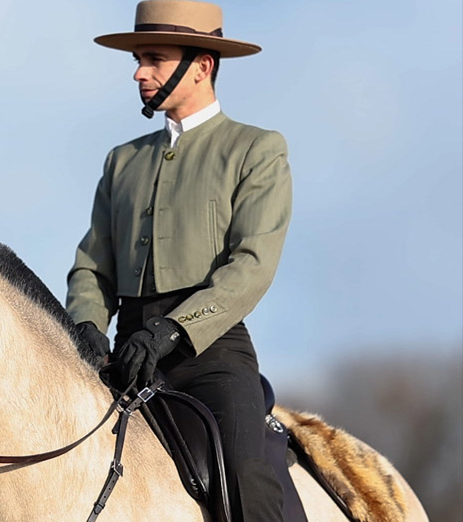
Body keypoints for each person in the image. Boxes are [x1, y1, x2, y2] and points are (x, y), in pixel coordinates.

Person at [66, 1, 291, 520]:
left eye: (154, 58)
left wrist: (172, 331)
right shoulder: (121, 160)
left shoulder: (256, 149)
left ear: (202, 64)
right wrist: (85, 325)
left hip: (209, 357)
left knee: (245, 477)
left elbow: (252, 264)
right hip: (122, 354)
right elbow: (91, 266)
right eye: (139, 58)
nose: (138, 72)